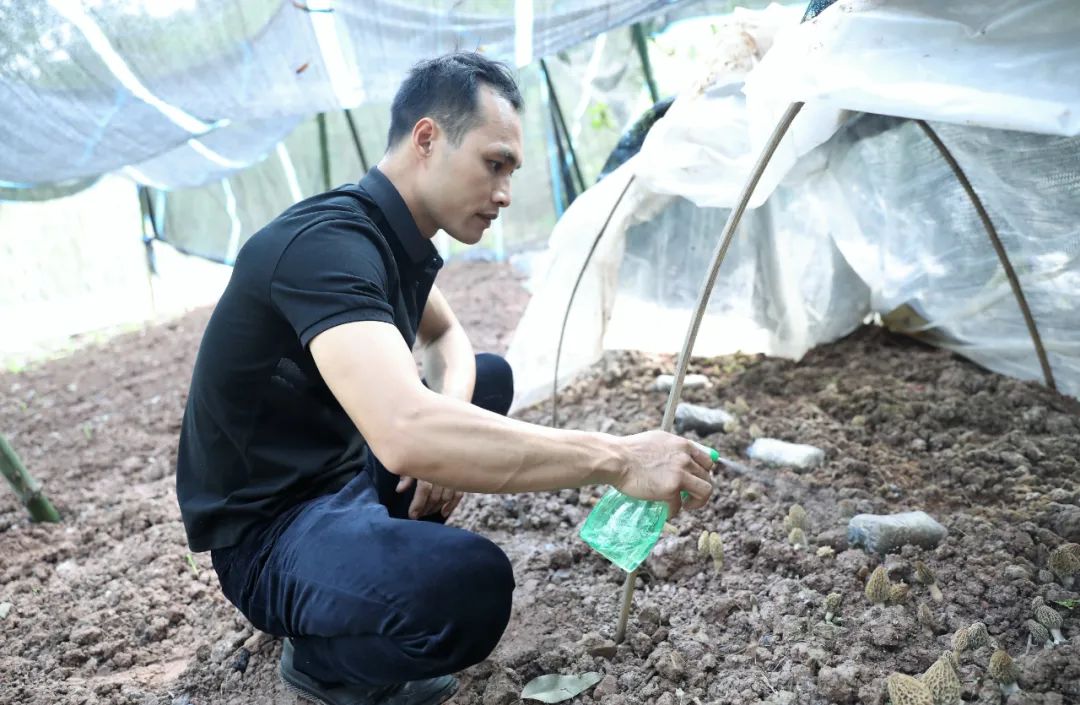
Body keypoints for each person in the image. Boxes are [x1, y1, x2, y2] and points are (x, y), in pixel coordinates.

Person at [175, 52, 715, 705]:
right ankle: (324, 661)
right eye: (495, 164)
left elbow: (448, 337)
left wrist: (442, 445)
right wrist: (617, 458)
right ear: (427, 139)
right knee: (469, 588)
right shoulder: (327, 245)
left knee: (485, 378)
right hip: (269, 532)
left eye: (512, 170)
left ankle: (361, 570)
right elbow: (404, 431)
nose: (506, 193)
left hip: (345, 476)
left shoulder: (391, 237)